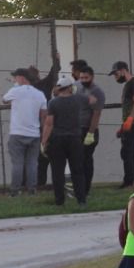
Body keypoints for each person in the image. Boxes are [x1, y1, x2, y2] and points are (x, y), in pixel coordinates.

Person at [2, 67, 47, 196]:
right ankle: (32, 188)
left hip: (17, 132)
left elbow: (4, 99)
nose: (14, 80)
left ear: (21, 78)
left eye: (16, 77)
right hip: (34, 133)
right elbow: (44, 114)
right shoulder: (40, 94)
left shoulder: (16, 91)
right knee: (32, 162)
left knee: (17, 163)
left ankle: (15, 190)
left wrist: (16, 87)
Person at [41, 76, 85, 207]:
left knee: (57, 171)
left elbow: (49, 124)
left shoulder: (53, 103)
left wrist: (44, 141)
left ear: (59, 88)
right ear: (70, 87)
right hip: (75, 138)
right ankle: (81, 200)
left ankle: (59, 200)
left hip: (57, 139)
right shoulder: (78, 100)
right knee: (77, 170)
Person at [110, 61, 134, 189]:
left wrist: (130, 120)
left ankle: (130, 182)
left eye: (116, 73)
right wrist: (123, 126)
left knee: (128, 150)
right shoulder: (127, 86)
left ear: (124, 70)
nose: (116, 77)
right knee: (126, 151)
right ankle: (129, 181)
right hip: (128, 124)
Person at [75, 63, 106, 202]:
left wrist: (91, 132)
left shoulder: (97, 91)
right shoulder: (77, 86)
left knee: (86, 160)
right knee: (78, 160)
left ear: (92, 77)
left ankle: (86, 189)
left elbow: (96, 113)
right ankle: (79, 188)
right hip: (76, 128)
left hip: (88, 128)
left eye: (86, 77)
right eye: (81, 77)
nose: (83, 80)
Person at [31, 56, 61, 189]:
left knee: (38, 159)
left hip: (36, 125)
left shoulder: (29, 89)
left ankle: (39, 184)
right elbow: (53, 73)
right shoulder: (43, 85)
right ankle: (52, 183)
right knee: (48, 157)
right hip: (46, 123)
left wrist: (56, 62)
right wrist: (56, 61)